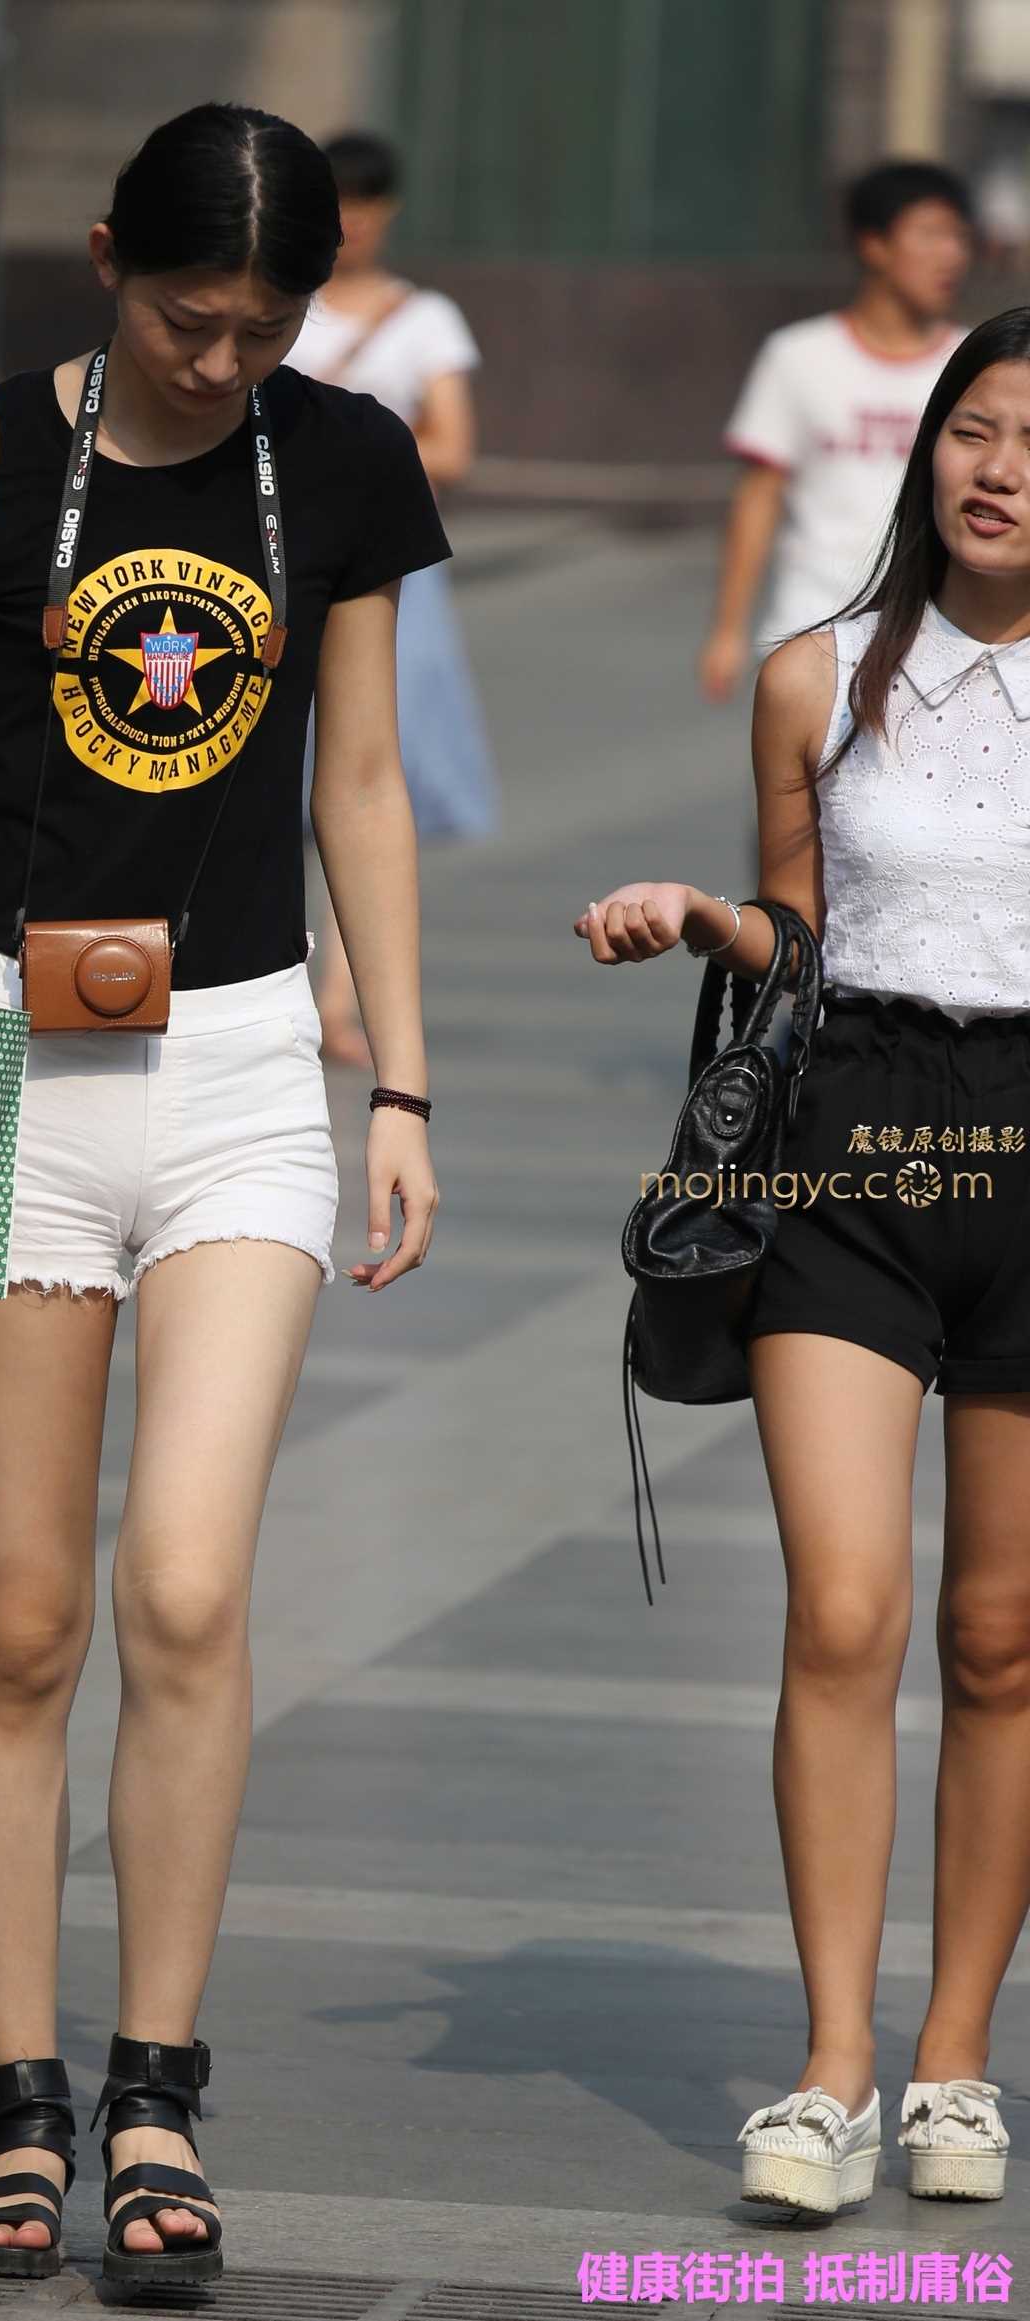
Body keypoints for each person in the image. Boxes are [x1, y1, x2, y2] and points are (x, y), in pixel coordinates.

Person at [0, 102, 445, 2286]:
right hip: (1, 1057)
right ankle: (17, 2097)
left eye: (265, 325)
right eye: (192, 315)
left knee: (181, 1587)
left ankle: (158, 2081)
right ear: (105, 258)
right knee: (18, 1615)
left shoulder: (344, 457)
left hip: (248, 1066)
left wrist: (401, 1078)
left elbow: (362, 775)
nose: (224, 357)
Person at [578, 308, 1030, 2217]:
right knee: (844, 1611)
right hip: (849, 1147)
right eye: (978, 430)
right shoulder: (816, 675)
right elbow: (802, 928)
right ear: (928, 449)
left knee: (1002, 1635)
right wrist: (703, 917)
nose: (1002, 471)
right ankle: (835, 2064)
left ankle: (955, 2060)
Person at [286, 127, 497, 1064]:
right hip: (276, 563)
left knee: (360, 769)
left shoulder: (425, 319)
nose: (352, 225)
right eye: (337, 207)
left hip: (385, 571)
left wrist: (350, 445)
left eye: (365, 208)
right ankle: (276, 982)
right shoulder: (279, 308)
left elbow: (454, 447)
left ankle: (335, 999)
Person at [700, 159, 974, 704]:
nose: (952, 255)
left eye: (960, 237)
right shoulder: (798, 356)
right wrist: (727, 629)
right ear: (874, 245)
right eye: (930, 234)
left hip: (937, 634)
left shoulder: (974, 365)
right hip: (813, 627)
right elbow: (759, 494)